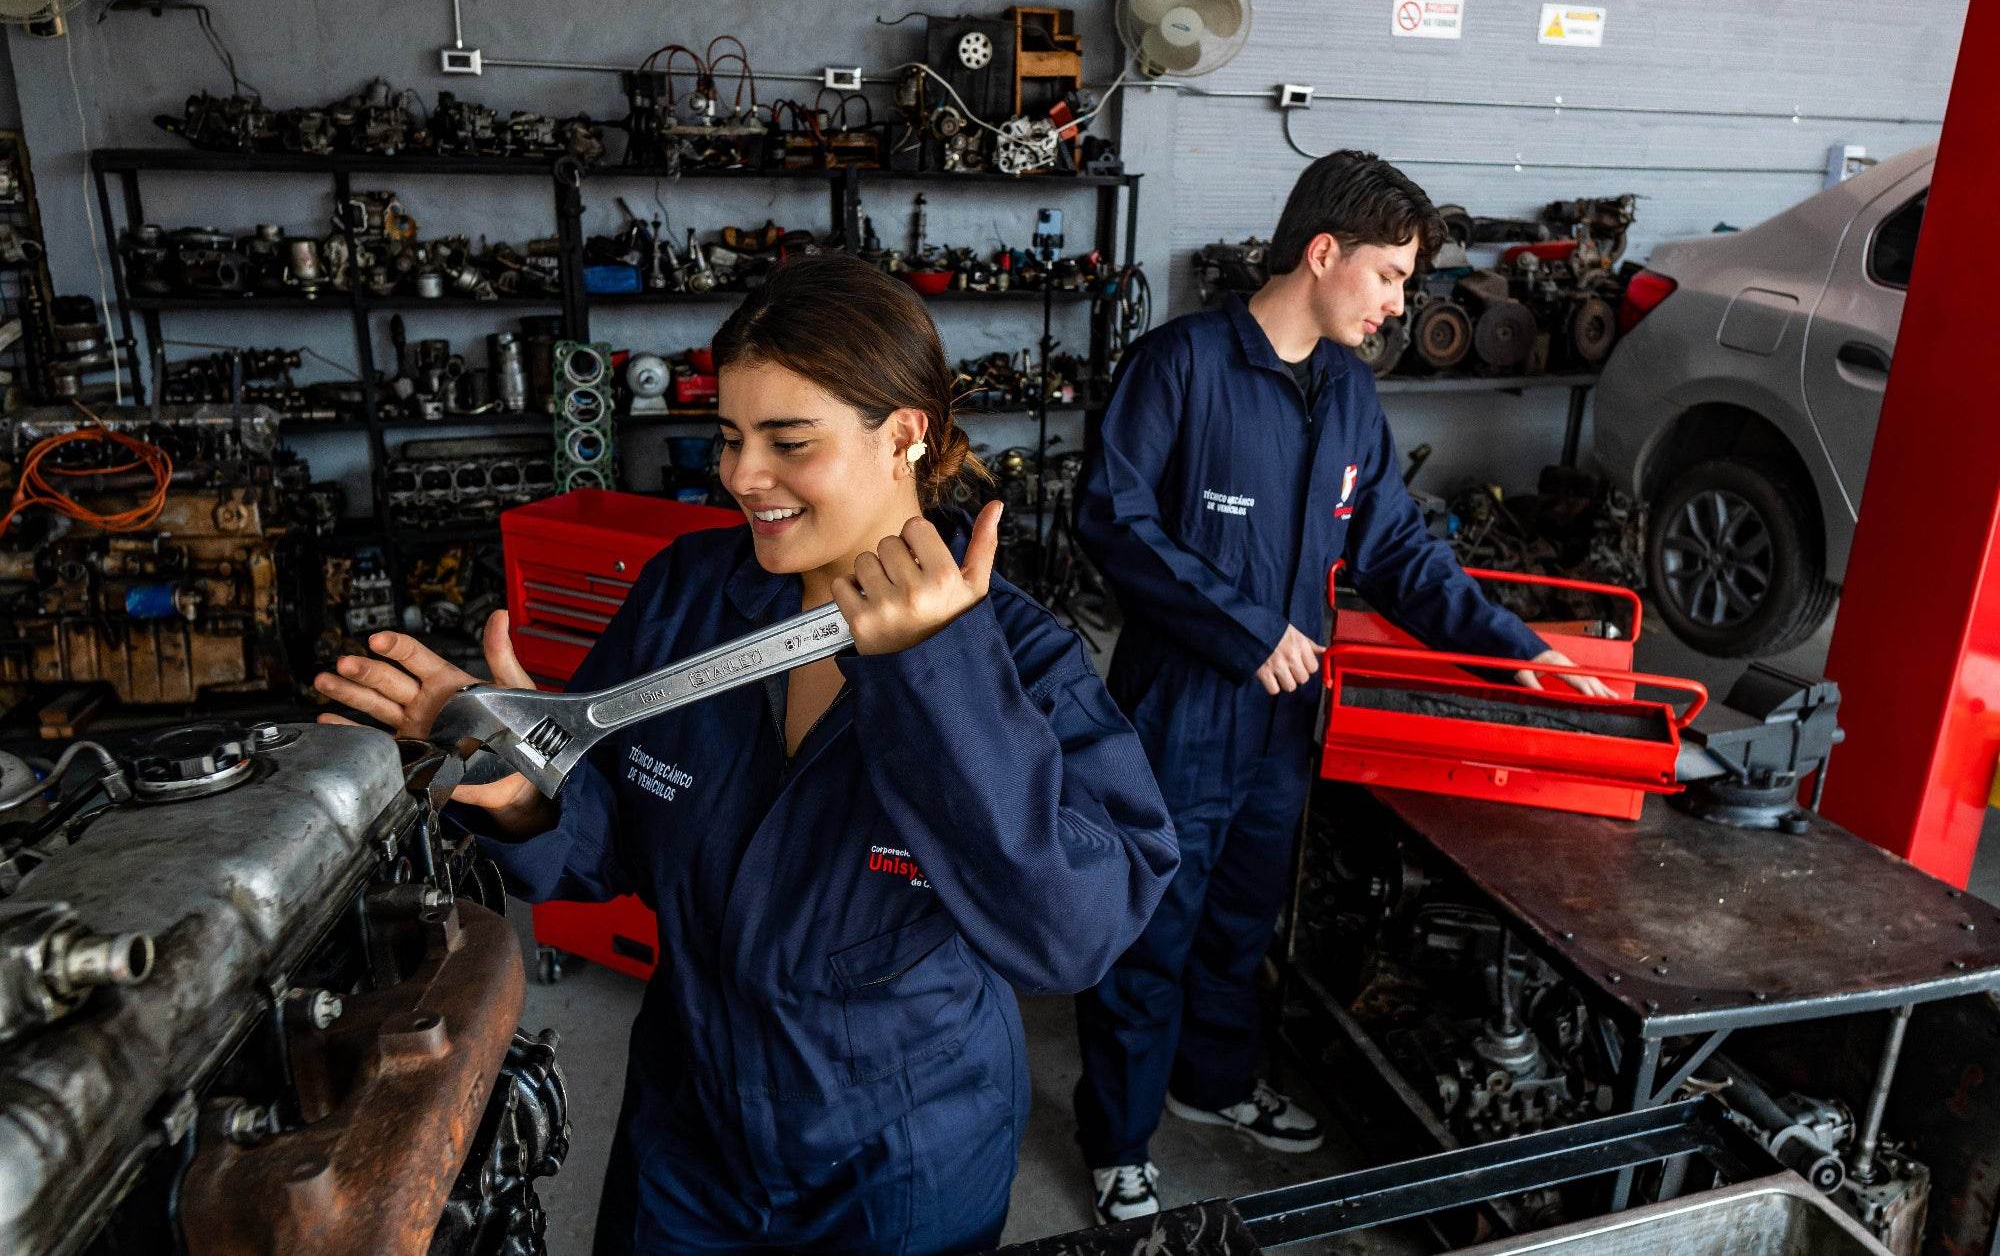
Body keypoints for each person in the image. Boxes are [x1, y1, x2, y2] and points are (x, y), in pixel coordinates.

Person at [315, 254, 1179, 1253]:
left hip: (900, 1157)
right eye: (729, 438)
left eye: (787, 441)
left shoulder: (1021, 658)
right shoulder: (688, 595)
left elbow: (1073, 930)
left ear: (906, 434)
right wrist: (523, 793)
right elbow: (609, 840)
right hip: (690, 1131)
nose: (739, 476)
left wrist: (936, 674)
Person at [1070, 150, 1614, 1222]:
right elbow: (1112, 519)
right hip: (1178, 712)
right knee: (1151, 929)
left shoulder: (1348, 392)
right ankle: (1119, 1139)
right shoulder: (1180, 365)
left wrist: (1515, 645)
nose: (1399, 304)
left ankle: (1211, 1084)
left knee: (1242, 920)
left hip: (1283, 719)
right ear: (1322, 251)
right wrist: (1241, 629)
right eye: (1390, 275)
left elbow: (1397, 552)